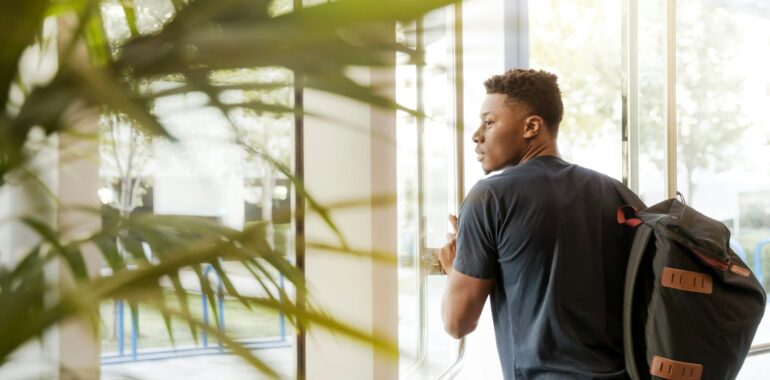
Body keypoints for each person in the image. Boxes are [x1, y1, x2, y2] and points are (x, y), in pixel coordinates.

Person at [437, 68, 636, 379]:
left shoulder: (490, 196)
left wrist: (454, 267)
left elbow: (457, 323)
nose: (477, 134)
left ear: (531, 126)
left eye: (489, 122)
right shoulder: (617, 193)